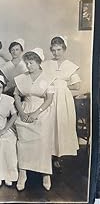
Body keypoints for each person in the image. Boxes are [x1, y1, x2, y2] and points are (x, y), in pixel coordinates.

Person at [14, 48, 55, 191]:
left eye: (30, 63)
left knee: (43, 141)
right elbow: (17, 96)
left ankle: (45, 173)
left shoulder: (48, 78)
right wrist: (21, 111)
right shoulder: (22, 78)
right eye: (27, 63)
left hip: (41, 110)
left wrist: (37, 112)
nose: (28, 66)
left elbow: (49, 99)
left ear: (38, 62)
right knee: (23, 141)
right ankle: (22, 173)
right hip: (25, 109)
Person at [42, 36, 80, 170]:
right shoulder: (46, 64)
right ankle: (48, 155)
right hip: (49, 97)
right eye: (53, 50)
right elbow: (41, 82)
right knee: (49, 124)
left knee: (61, 125)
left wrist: (62, 87)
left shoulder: (70, 65)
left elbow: (77, 86)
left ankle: (58, 157)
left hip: (63, 100)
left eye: (59, 50)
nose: (56, 53)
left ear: (64, 49)